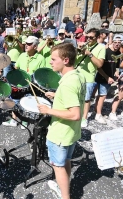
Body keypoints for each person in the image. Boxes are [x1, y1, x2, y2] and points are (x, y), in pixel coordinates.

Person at [37, 42, 86, 199]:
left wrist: (48, 110)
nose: (50, 62)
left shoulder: (68, 84)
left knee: (57, 166)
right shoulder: (78, 74)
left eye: (53, 59)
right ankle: (63, 186)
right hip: (72, 132)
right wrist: (57, 94)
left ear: (65, 60)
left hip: (60, 133)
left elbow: (75, 114)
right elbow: (75, 96)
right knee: (67, 161)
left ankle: (65, 196)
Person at [3, 36, 45, 128]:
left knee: (27, 102)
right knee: (14, 101)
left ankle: (25, 121)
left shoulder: (41, 58)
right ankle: (13, 120)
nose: (26, 45)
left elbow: (41, 75)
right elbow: (16, 67)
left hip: (31, 85)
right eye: (26, 43)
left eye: (29, 44)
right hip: (19, 83)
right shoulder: (22, 55)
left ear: (35, 46)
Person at [76, 28, 105, 127]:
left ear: (97, 37)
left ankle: (84, 118)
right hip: (76, 75)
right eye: (87, 37)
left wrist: (90, 54)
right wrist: (76, 50)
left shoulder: (101, 48)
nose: (88, 39)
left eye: (91, 37)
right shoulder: (84, 44)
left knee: (86, 99)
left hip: (88, 78)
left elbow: (100, 64)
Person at [94, 37, 121, 124]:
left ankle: (96, 111)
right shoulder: (106, 51)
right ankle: (98, 114)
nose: (117, 44)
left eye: (119, 42)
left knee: (100, 96)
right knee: (102, 96)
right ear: (112, 42)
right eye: (115, 42)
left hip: (110, 78)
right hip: (103, 77)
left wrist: (116, 73)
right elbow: (99, 67)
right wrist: (106, 77)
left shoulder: (118, 53)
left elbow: (116, 66)